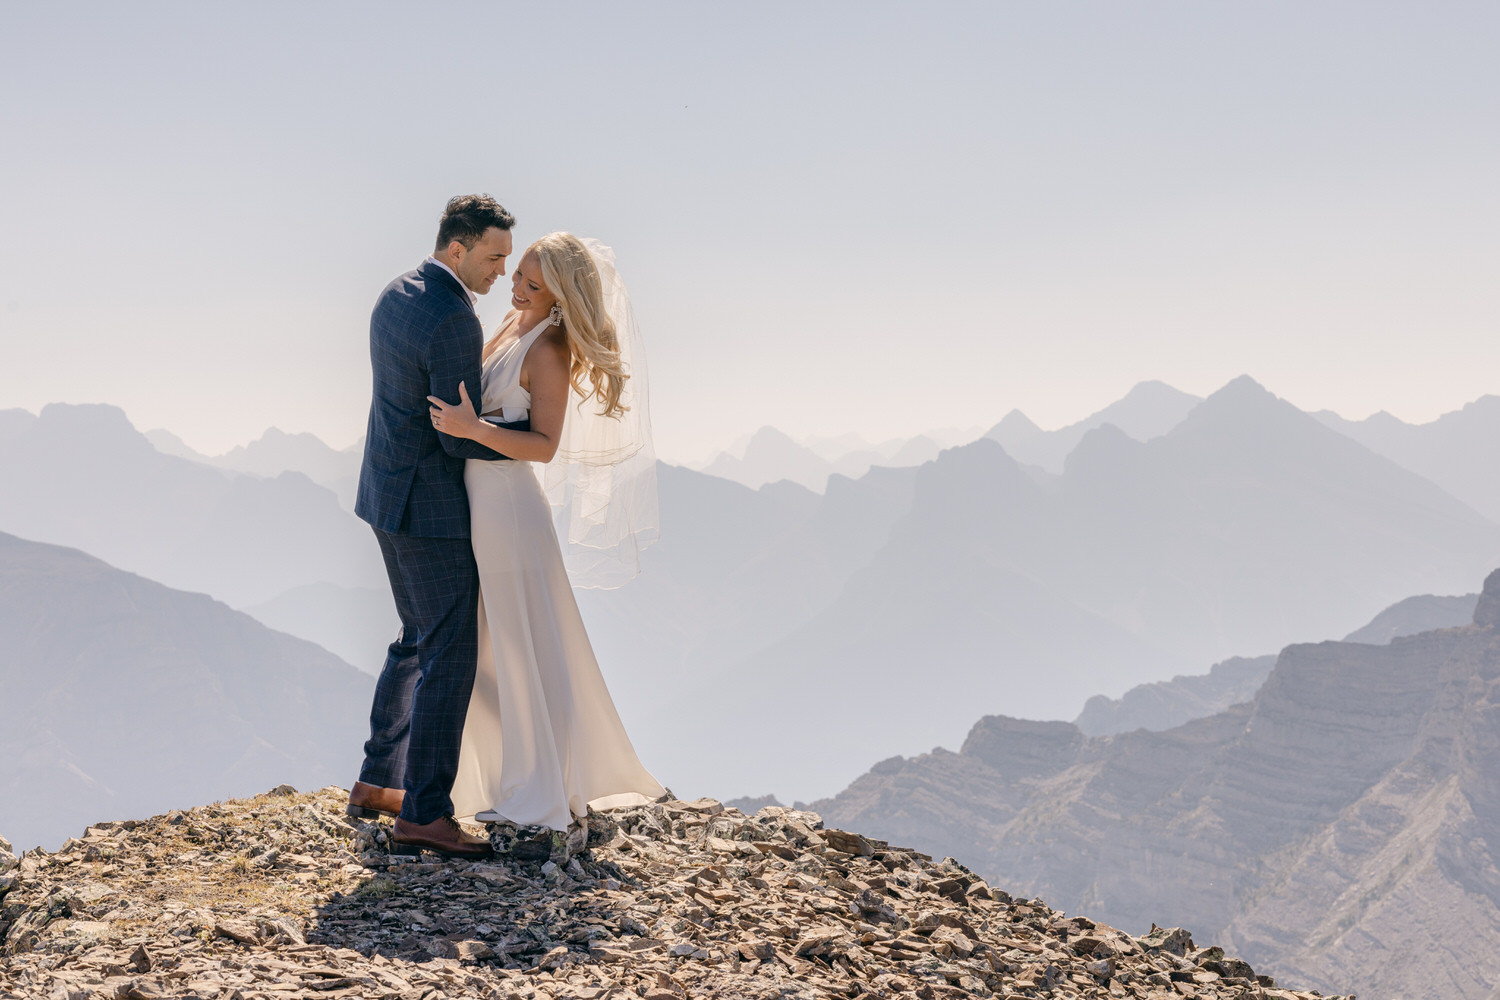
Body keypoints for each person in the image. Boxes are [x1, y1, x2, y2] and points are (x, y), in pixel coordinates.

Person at [428, 231, 664, 833]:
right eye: (518, 275)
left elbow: (544, 444)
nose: (517, 287)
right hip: (480, 501)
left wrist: (469, 427)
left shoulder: (550, 346)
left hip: (508, 508)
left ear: (560, 295)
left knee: (516, 640)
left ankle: (538, 786)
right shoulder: (513, 321)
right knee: (493, 642)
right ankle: (496, 775)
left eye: (533, 283)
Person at [349, 194, 527, 858]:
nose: (500, 271)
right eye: (493, 256)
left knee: (415, 638)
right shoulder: (453, 317)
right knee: (450, 654)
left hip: (384, 494)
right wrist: (527, 439)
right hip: (430, 510)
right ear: (457, 249)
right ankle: (424, 813)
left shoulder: (398, 292)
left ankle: (379, 779)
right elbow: (456, 437)